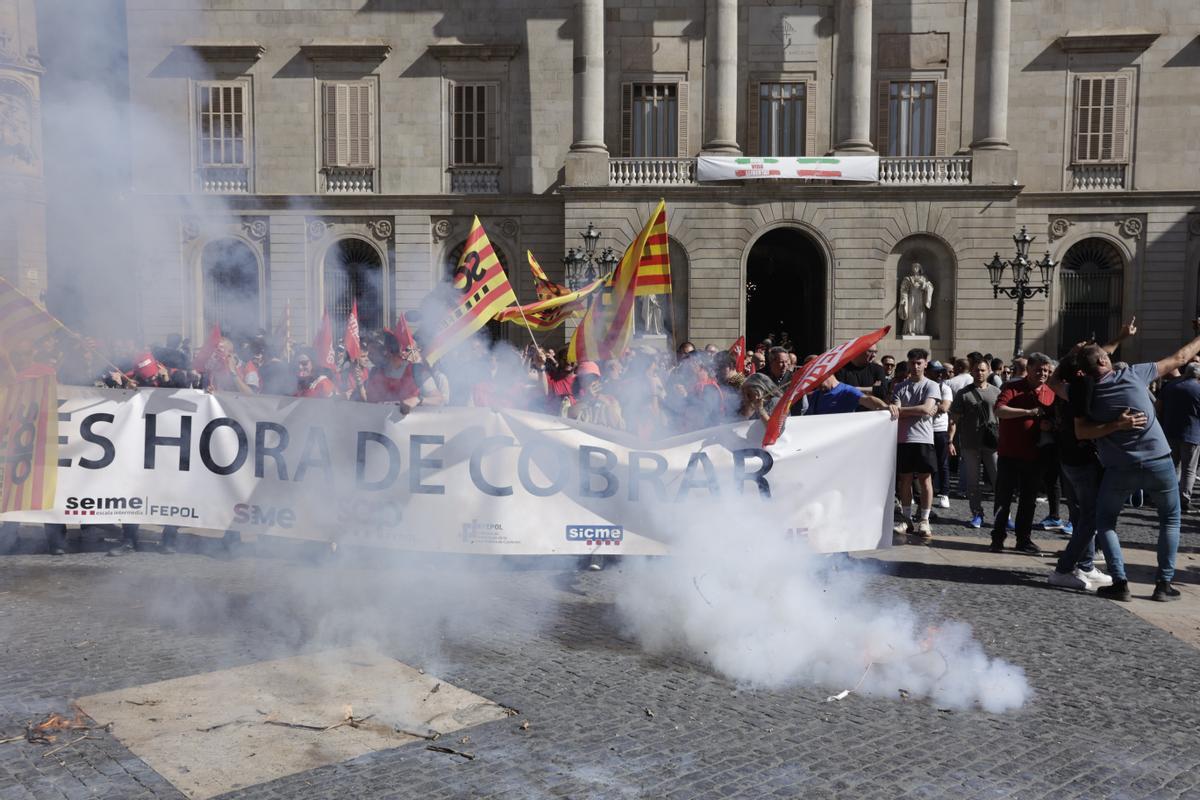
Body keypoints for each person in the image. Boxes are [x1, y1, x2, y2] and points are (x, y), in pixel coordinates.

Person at [1069, 324, 1200, 602]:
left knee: (1105, 522)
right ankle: (1163, 584)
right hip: (1159, 461)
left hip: (1119, 467)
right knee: (1170, 520)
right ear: (1105, 361)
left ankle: (1120, 582)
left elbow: (1082, 432)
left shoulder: (1085, 394)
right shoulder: (1132, 374)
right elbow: (1180, 358)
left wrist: (1115, 425)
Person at [990, 352, 1055, 554]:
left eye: (1046, 370)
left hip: (1036, 456)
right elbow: (999, 410)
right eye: (1038, 369)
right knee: (1003, 498)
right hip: (1010, 454)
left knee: (1029, 501)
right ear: (1029, 369)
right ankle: (998, 537)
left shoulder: (1051, 391)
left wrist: (1049, 425)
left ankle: (1023, 539)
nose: (1042, 373)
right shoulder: (1012, 387)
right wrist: (1027, 413)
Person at [891, 348, 940, 543]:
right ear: (908, 363)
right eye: (913, 362)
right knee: (904, 480)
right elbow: (895, 412)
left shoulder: (932, 385)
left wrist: (904, 409)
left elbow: (927, 408)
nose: (916, 366)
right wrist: (916, 410)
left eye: (920, 362)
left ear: (926, 363)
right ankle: (906, 519)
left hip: (923, 439)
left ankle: (925, 519)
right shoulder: (899, 387)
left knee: (925, 480)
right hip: (903, 438)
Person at [949, 358, 999, 528]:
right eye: (977, 370)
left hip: (992, 443)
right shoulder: (963, 393)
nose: (979, 373)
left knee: (998, 479)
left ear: (989, 371)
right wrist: (951, 441)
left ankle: (1003, 515)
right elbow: (953, 420)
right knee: (972, 481)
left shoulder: (996, 392)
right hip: (970, 443)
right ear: (971, 371)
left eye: (983, 370)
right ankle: (977, 513)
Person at [1159, 361, 1200, 512]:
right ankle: (1184, 500)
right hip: (1192, 434)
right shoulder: (1198, 389)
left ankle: (1169, 497)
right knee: (1189, 469)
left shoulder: (1170, 386)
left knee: (1173, 467)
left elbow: (1158, 407)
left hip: (1170, 432)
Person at [806, 371, 893, 416]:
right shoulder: (816, 394)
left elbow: (868, 400)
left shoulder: (846, 390)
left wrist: (885, 406)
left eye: (818, 381)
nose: (817, 386)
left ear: (828, 374)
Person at [928, 362, 955, 508]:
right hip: (924, 429)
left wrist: (926, 407)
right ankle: (927, 493)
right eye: (936, 371)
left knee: (942, 463)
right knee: (925, 464)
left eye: (941, 372)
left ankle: (944, 493)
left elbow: (944, 407)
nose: (939, 374)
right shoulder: (925, 386)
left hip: (939, 430)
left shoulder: (945, 388)